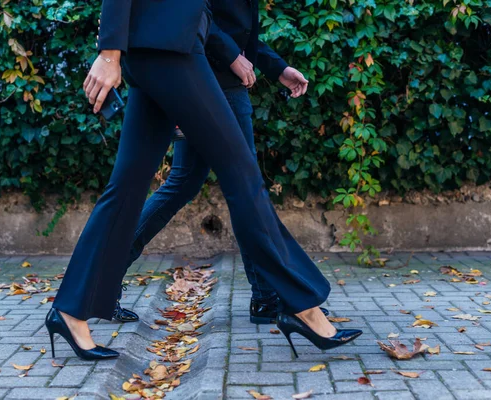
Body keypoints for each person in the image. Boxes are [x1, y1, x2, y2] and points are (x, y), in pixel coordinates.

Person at [45, 0, 363, 361]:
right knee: (242, 175)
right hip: (169, 48)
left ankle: (70, 310)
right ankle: (302, 306)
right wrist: (108, 52)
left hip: (164, 45)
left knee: (127, 185)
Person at [114, 0, 330, 326]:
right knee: (245, 190)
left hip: (209, 80)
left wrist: (277, 68)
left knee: (186, 184)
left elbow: (236, 30)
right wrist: (230, 56)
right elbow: (189, 15)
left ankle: (103, 280)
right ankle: (267, 297)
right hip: (210, 82)